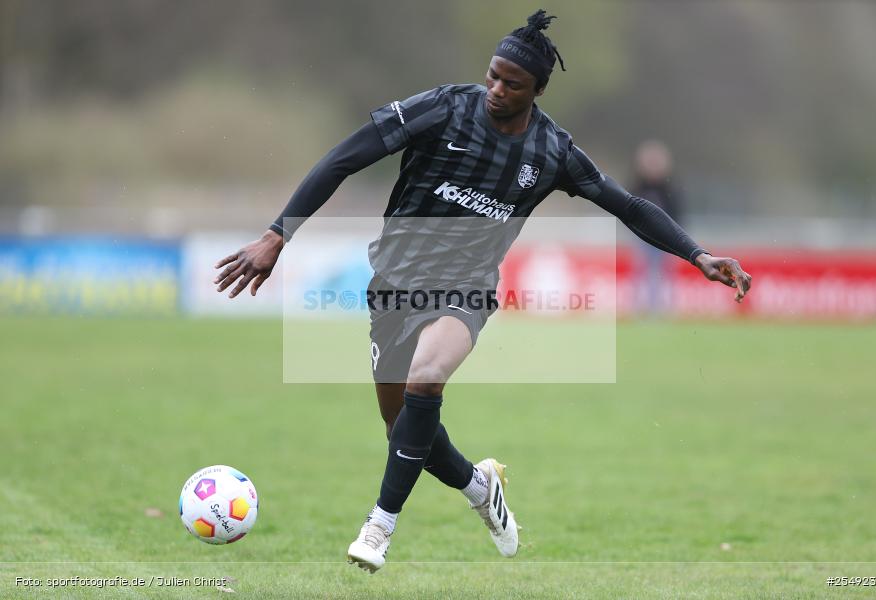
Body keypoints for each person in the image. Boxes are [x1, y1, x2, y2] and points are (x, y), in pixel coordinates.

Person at [213, 10, 752, 573]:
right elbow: (345, 157)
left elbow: (629, 205)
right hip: (394, 285)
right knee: (406, 432)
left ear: (537, 91)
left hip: (466, 290)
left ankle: (379, 525)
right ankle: (479, 485)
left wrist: (698, 255)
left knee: (427, 376)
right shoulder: (444, 108)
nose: (496, 89)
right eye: (493, 75)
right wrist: (279, 233)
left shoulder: (552, 151)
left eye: (511, 83)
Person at [631, 140, 681, 314]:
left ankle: (664, 309)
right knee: (641, 273)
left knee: (665, 274)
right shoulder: (638, 186)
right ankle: (639, 308)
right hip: (642, 238)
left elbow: (676, 213)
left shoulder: (669, 187)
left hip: (666, 239)